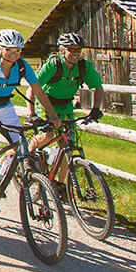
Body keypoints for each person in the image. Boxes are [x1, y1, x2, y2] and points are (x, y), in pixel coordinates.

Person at [0, 28, 60, 216]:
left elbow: (39, 92)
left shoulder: (22, 66)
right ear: (0, 49)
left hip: (5, 107)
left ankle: (3, 166)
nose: (14, 54)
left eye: (18, 50)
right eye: (9, 49)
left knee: (21, 145)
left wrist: (53, 115)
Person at [29, 32, 105, 188]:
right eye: (71, 49)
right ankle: (29, 155)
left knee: (69, 146)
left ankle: (59, 184)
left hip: (66, 105)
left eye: (78, 49)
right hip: (45, 102)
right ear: (62, 50)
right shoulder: (53, 64)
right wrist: (31, 113)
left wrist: (96, 108)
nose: (76, 53)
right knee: (48, 134)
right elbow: (33, 87)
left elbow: (98, 87)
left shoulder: (84, 66)